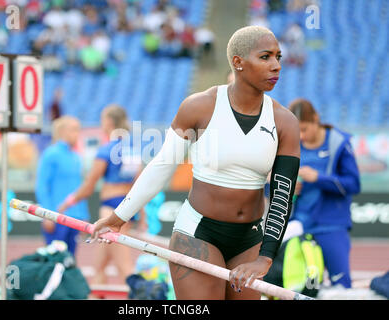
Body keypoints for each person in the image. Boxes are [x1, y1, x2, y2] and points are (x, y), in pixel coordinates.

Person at [90, 26, 300, 300]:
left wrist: (266, 259)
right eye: (265, 57)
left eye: (278, 57)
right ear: (238, 62)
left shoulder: (285, 122)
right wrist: (118, 218)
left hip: (250, 239)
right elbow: (162, 166)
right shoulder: (199, 107)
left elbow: (282, 198)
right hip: (199, 234)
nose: (276, 66)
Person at [58, 104, 146, 285]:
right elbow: (140, 185)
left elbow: (89, 186)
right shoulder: (132, 149)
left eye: (102, 120)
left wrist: (67, 203)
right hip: (128, 207)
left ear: (109, 122)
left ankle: (143, 300)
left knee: (124, 267)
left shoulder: (106, 150)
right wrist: (142, 216)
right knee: (99, 266)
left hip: (110, 209)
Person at [288, 98, 360, 288]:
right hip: (298, 226)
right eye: (297, 131)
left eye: (304, 129)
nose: (301, 136)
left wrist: (319, 178)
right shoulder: (289, 142)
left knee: (341, 286)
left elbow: (354, 185)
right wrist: (287, 186)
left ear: (316, 119)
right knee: (306, 287)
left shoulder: (339, 143)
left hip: (331, 226)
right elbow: (269, 185)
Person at [35, 116, 90, 257]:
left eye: (78, 130)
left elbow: (79, 189)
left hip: (75, 218)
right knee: (54, 262)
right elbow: (41, 186)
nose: (77, 134)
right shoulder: (51, 154)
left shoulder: (76, 157)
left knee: (70, 262)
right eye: (74, 130)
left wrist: (83, 215)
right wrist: (47, 215)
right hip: (57, 217)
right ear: (63, 132)